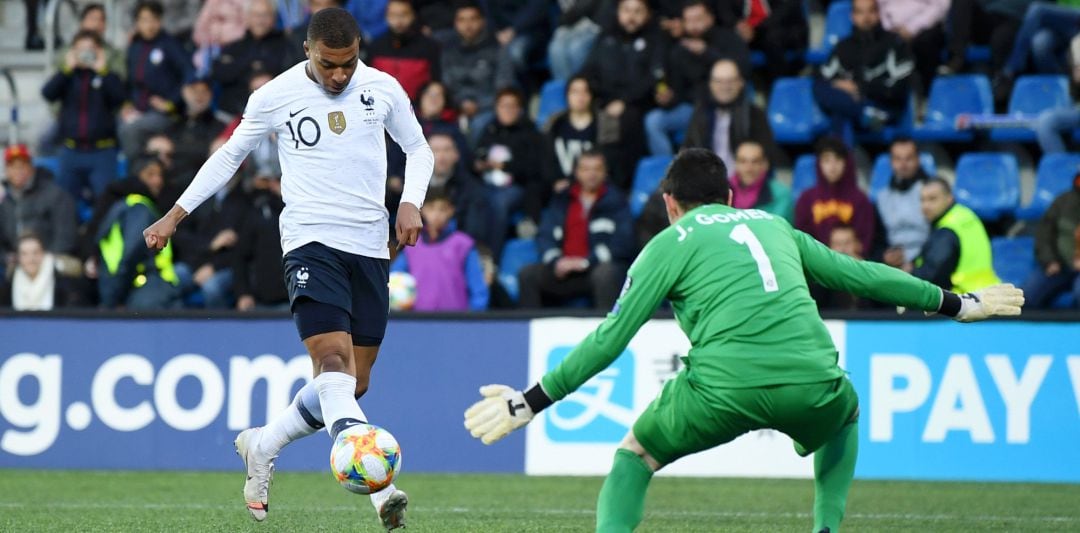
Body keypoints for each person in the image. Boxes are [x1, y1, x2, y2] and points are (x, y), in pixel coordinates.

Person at [463, 148, 1025, 533]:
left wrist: (530, 401)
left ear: (669, 204)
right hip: (812, 380)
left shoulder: (669, 242)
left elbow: (611, 339)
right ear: (731, 196)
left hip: (720, 391)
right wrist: (956, 302)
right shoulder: (773, 224)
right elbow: (859, 274)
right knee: (845, 414)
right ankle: (826, 527)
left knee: (634, 455)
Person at [141, 8, 432, 529]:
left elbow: (418, 148)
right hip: (309, 241)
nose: (339, 75)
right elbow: (229, 157)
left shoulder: (383, 88)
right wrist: (175, 214)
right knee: (333, 361)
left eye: (348, 64)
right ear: (307, 51)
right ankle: (379, 492)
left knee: (352, 383)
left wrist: (410, 200)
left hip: (369, 245)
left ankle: (263, 442)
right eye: (328, 65)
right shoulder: (273, 96)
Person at [518, 151, 635, 310]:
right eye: (585, 169)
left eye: (597, 169)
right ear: (576, 172)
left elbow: (623, 243)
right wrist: (557, 261)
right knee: (527, 274)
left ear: (605, 172)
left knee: (606, 274)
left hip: (594, 269)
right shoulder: (561, 199)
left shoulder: (617, 202)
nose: (591, 174)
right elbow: (545, 236)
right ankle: (531, 326)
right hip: (562, 269)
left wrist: (586, 261)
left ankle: (608, 330)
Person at [645, 0, 750, 156]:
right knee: (653, 120)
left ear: (710, 18)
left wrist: (706, 53)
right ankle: (670, 173)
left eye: (699, 19)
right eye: (689, 20)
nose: (694, 25)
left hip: (727, 106)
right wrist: (669, 99)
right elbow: (678, 89)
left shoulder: (729, 39)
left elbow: (742, 72)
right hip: (691, 109)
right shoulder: (680, 48)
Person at [579, 0, 662, 188]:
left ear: (647, 14)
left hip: (639, 104)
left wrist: (624, 100)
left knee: (622, 122)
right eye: (626, 10)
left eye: (637, 11)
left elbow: (654, 78)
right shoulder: (606, 37)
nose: (631, 17)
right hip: (605, 101)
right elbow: (588, 70)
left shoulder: (656, 39)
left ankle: (618, 186)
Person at [42, 30, 126, 203]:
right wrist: (66, 70)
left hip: (102, 151)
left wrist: (103, 71)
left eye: (91, 49)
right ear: (72, 51)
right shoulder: (68, 76)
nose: (86, 54)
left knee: (105, 202)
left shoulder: (107, 76)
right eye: (81, 49)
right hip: (71, 150)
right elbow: (48, 93)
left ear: (99, 51)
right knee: (64, 203)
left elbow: (120, 98)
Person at [811, 0, 914, 140]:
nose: (866, 18)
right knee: (822, 88)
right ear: (852, 16)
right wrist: (844, 90)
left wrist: (859, 88)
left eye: (871, 11)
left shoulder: (894, 44)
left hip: (883, 108)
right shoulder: (843, 47)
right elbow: (822, 80)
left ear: (878, 14)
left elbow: (899, 88)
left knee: (840, 115)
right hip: (854, 106)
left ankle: (842, 158)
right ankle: (863, 113)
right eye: (860, 12)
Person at [97, 156, 181, 309]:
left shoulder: (123, 206)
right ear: (136, 177)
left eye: (160, 175)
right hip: (148, 289)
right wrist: (116, 295)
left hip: (142, 287)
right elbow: (132, 251)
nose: (158, 181)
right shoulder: (138, 208)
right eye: (150, 175)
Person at [474, 88, 546, 255]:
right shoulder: (489, 129)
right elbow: (477, 154)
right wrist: (479, 164)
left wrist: (504, 166)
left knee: (498, 203)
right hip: (486, 182)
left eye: (512, 106)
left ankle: (491, 256)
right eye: (503, 106)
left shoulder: (530, 133)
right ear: (496, 108)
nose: (508, 110)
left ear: (520, 109)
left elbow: (534, 169)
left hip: (517, 186)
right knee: (473, 199)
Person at [119, 0, 193, 161]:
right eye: (144, 20)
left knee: (129, 129)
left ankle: (137, 171)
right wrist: (126, 104)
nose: (149, 25)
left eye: (154, 19)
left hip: (163, 112)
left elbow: (189, 74)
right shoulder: (134, 47)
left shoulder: (170, 45)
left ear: (160, 21)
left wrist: (171, 103)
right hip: (138, 108)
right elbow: (130, 82)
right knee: (116, 122)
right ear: (137, 23)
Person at [390, 191, 488, 311]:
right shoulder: (412, 245)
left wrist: (470, 323)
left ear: (451, 211)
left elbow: (478, 291)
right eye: (431, 208)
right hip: (417, 323)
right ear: (423, 210)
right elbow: (394, 279)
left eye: (442, 209)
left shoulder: (463, 244)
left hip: (455, 323)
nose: (436, 214)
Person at [683, 59, 781, 174]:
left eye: (730, 81)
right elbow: (689, 148)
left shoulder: (754, 114)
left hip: (744, 183)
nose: (725, 87)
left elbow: (766, 156)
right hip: (706, 182)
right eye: (719, 81)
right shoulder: (700, 112)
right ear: (711, 84)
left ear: (741, 83)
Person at [906, 178, 1001, 293]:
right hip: (988, 292)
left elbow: (932, 276)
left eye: (932, 199)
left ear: (949, 198)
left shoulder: (947, 230)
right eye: (922, 200)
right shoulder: (964, 214)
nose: (925, 206)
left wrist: (909, 274)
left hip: (964, 298)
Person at [440, 2, 515, 143]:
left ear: (482, 21)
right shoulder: (448, 51)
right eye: (462, 20)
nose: (468, 25)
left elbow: (503, 88)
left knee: (479, 125)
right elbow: (446, 85)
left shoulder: (498, 49)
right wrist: (461, 104)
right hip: (456, 107)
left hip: (489, 108)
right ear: (455, 23)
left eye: (473, 19)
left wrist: (479, 105)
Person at [211, 0, 295, 117]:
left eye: (265, 15)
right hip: (234, 114)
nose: (260, 20)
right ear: (247, 17)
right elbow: (218, 72)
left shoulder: (286, 44)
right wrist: (251, 64)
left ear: (274, 18)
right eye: (256, 15)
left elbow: (290, 74)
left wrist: (241, 66)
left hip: (276, 112)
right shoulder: (234, 47)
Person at [794, 138, 876, 253]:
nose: (832, 166)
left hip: (850, 262)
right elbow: (801, 239)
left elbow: (864, 242)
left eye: (838, 159)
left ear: (846, 163)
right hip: (816, 262)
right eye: (826, 160)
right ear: (819, 164)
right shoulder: (806, 199)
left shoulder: (860, 200)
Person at [0, 145, 77, 262]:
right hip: (15, 263)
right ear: (6, 170)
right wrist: (6, 257)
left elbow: (65, 237)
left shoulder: (55, 194)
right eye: (13, 166)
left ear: (31, 167)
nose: (18, 171)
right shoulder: (3, 198)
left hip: (51, 260)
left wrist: (45, 260)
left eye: (22, 166)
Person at [715, 0, 808, 83]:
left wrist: (757, 28)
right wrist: (738, 26)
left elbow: (787, 8)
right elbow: (724, 11)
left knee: (774, 39)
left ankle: (778, 89)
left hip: (772, 28)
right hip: (741, 31)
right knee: (731, 40)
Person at [1024, 172, 1080, 308]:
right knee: (1027, 296)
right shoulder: (1062, 201)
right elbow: (1044, 235)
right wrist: (1049, 260)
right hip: (1059, 266)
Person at [234, 174, 289, 311]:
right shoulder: (258, 214)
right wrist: (243, 293)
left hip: (298, 298)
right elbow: (240, 256)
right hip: (263, 299)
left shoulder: (308, 214)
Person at [367, 0, 442, 100]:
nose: (398, 21)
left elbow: (435, 83)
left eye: (403, 15)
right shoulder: (375, 46)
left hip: (417, 110)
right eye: (393, 15)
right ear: (386, 17)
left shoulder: (429, 47)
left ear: (413, 16)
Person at [878, 138, 930, 269]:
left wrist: (916, 263)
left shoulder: (931, 193)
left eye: (909, 158)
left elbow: (940, 237)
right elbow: (877, 240)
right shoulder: (882, 197)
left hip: (927, 261)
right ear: (891, 162)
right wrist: (884, 257)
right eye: (897, 159)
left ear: (918, 160)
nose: (903, 164)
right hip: (893, 265)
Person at [877, 0, 948, 93]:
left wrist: (912, 28)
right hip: (889, 28)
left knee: (925, 44)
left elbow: (940, 6)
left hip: (924, 28)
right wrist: (889, 27)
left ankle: (923, 95)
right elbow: (879, 6)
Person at [544, 75, 598, 193]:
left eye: (585, 91)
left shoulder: (601, 126)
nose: (580, 96)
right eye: (575, 91)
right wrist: (554, 181)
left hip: (591, 189)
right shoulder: (555, 124)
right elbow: (546, 160)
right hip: (558, 188)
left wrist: (573, 182)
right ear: (567, 96)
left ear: (591, 96)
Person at [0, 233, 80, 310]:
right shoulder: (8, 287)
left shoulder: (62, 284)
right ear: (18, 258)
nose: (31, 259)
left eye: (35, 253)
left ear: (44, 254)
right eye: (25, 254)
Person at [729, 140, 792, 221]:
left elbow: (777, 228)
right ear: (735, 164)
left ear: (765, 164)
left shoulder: (781, 195)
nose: (749, 168)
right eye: (742, 161)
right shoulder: (722, 191)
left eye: (755, 162)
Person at [546, 0, 605, 80]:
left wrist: (563, 20)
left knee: (575, 49)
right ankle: (564, 88)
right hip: (568, 25)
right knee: (555, 49)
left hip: (593, 24)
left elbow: (582, 8)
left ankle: (581, 88)